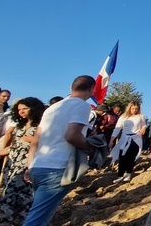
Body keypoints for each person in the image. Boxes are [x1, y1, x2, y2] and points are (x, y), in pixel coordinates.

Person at [23, 75, 95, 226]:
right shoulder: (81, 105)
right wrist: (89, 146)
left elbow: (36, 139)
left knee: (40, 213)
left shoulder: (52, 108)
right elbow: (72, 135)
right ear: (91, 89)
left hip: (38, 165)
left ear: (71, 87)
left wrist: (30, 166)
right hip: (57, 167)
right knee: (37, 218)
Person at [0, 97, 45, 225]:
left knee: (22, 198)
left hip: (27, 166)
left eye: (25, 109)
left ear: (34, 109)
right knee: (7, 195)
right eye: (19, 109)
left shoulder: (42, 126)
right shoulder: (20, 126)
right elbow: (14, 146)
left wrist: (33, 140)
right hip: (12, 166)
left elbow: (49, 145)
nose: (21, 112)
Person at [110, 101, 147, 183]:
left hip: (135, 138)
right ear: (129, 108)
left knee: (131, 156)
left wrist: (143, 129)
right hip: (124, 138)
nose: (134, 110)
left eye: (136, 109)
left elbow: (144, 125)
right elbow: (117, 128)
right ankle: (120, 175)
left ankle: (128, 173)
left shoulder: (141, 116)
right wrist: (111, 140)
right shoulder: (123, 117)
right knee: (122, 157)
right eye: (133, 108)